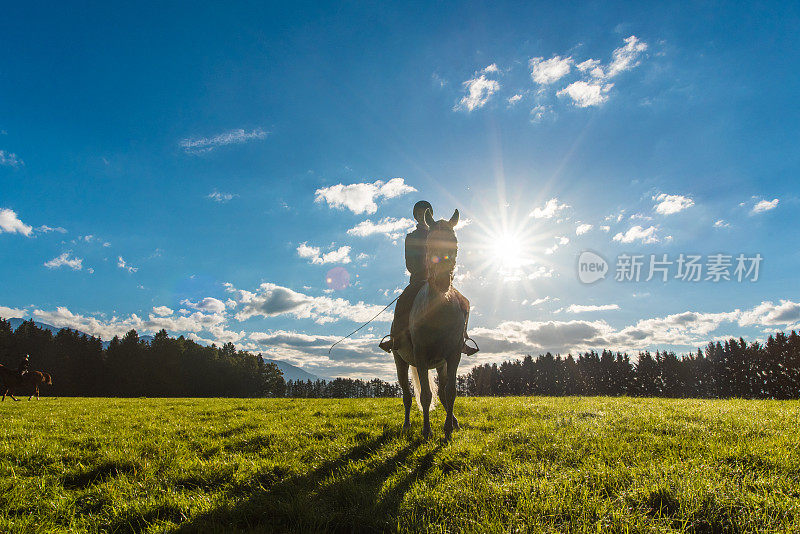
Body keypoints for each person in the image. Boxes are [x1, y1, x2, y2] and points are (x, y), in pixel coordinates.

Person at [379, 200, 478, 355]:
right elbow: (410, 263)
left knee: (464, 303)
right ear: (417, 217)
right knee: (402, 302)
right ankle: (396, 338)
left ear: (430, 215)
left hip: (441, 278)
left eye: (424, 212)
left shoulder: (439, 233)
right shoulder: (411, 237)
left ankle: (462, 340)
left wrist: (441, 270)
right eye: (419, 213)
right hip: (419, 280)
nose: (421, 215)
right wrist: (426, 271)